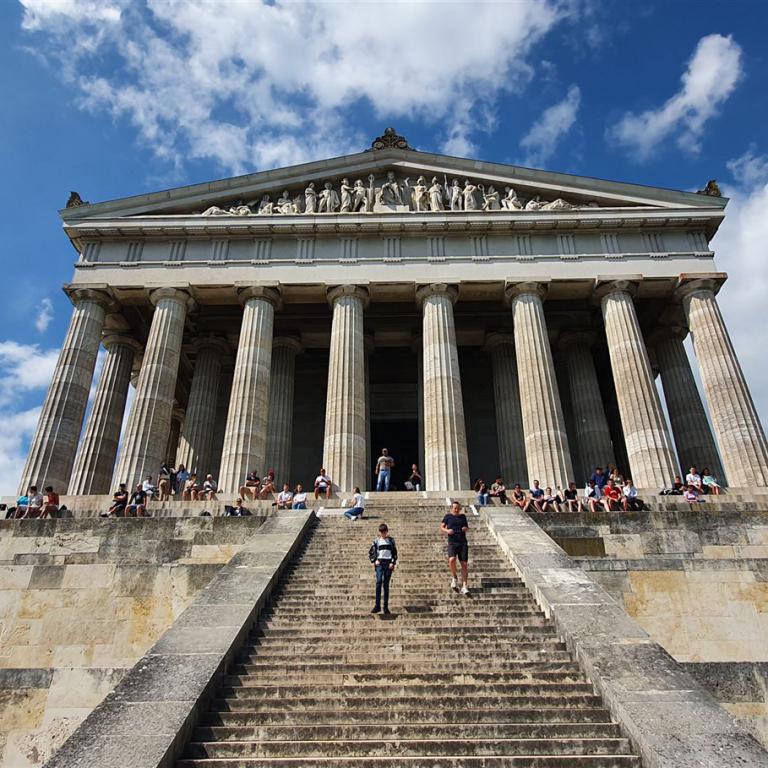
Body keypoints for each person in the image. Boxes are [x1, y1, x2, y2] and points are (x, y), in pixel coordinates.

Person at [441, 500, 470, 595]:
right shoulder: (447, 517)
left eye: (458, 508)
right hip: (452, 542)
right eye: (455, 508)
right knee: (452, 559)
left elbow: (467, 527)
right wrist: (447, 531)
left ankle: (464, 586)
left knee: (464, 564)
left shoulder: (463, 517)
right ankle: (454, 577)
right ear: (452, 508)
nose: (456, 510)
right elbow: (441, 527)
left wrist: (465, 529)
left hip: (462, 542)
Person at [369, 522, 397, 614]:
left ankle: (385, 607)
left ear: (387, 531)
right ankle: (377, 606)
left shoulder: (391, 541)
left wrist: (393, 562)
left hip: (388, 563)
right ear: (379, 532)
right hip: (379, 563)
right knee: (379, 581)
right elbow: (371, 552)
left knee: (386, 585)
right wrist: (375, 560)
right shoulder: (376, 541)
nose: (383, 534)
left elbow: (394, 553)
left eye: (384, 532)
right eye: (381, 532)